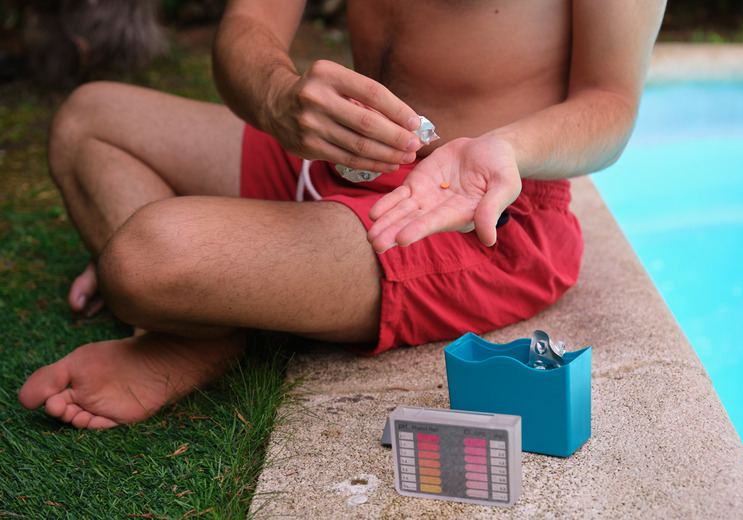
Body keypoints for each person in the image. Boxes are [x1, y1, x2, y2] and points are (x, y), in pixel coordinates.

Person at [18, 0, 666, 429]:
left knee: (143, 257)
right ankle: (202, 323)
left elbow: (611, 101)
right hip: (335, 157)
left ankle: (190, 325)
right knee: (90, 122)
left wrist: (507, 149)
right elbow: (248, 25)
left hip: (476, 212)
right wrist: (278, 98)